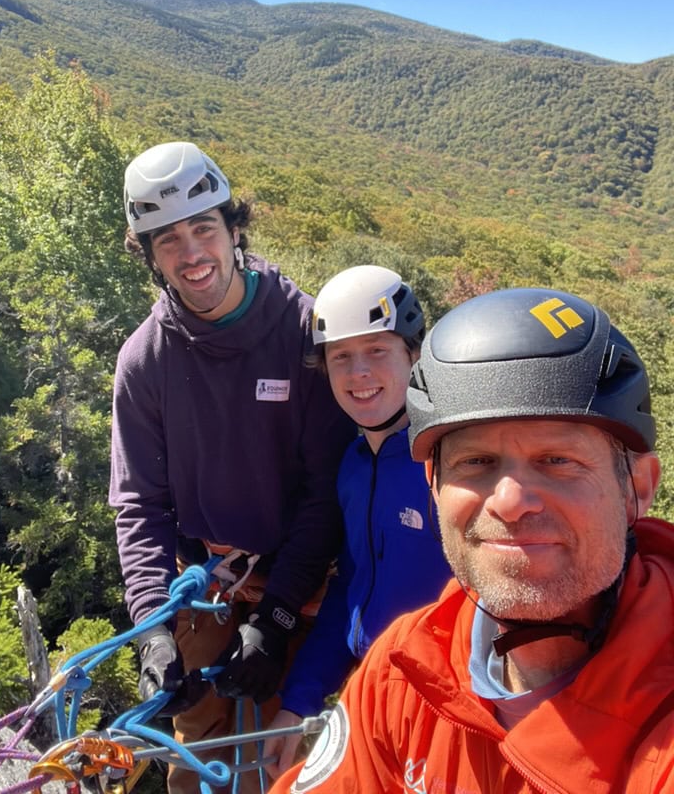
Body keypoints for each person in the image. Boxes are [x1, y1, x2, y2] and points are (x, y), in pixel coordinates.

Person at [270, 286, 674, 794]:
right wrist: (299, 691)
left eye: (558, 460)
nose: (509, 500)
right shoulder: (404, 672)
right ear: (433, 487)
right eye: (476, 462)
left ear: (637, 487)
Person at [108, 141, 356, 794]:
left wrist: (274, 621)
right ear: (149, 255)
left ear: (233, 228)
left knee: (284, 770)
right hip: (205, 590)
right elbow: (141, 506)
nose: (191, 255)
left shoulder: (303, 334)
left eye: (203, 228)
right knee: (193, 772)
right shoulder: (146, 362)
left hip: (299, 590)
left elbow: (324, 492)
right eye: (167, 241)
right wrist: (154, 634)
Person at [263, 265, 452, 778]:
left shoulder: (450, 468)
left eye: (377, 351)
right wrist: (296, 702)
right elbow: (351, 591)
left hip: (448, 712)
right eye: (341, 357)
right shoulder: (353, 466)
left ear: (413, 355)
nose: (358, 373)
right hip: (374, 696)